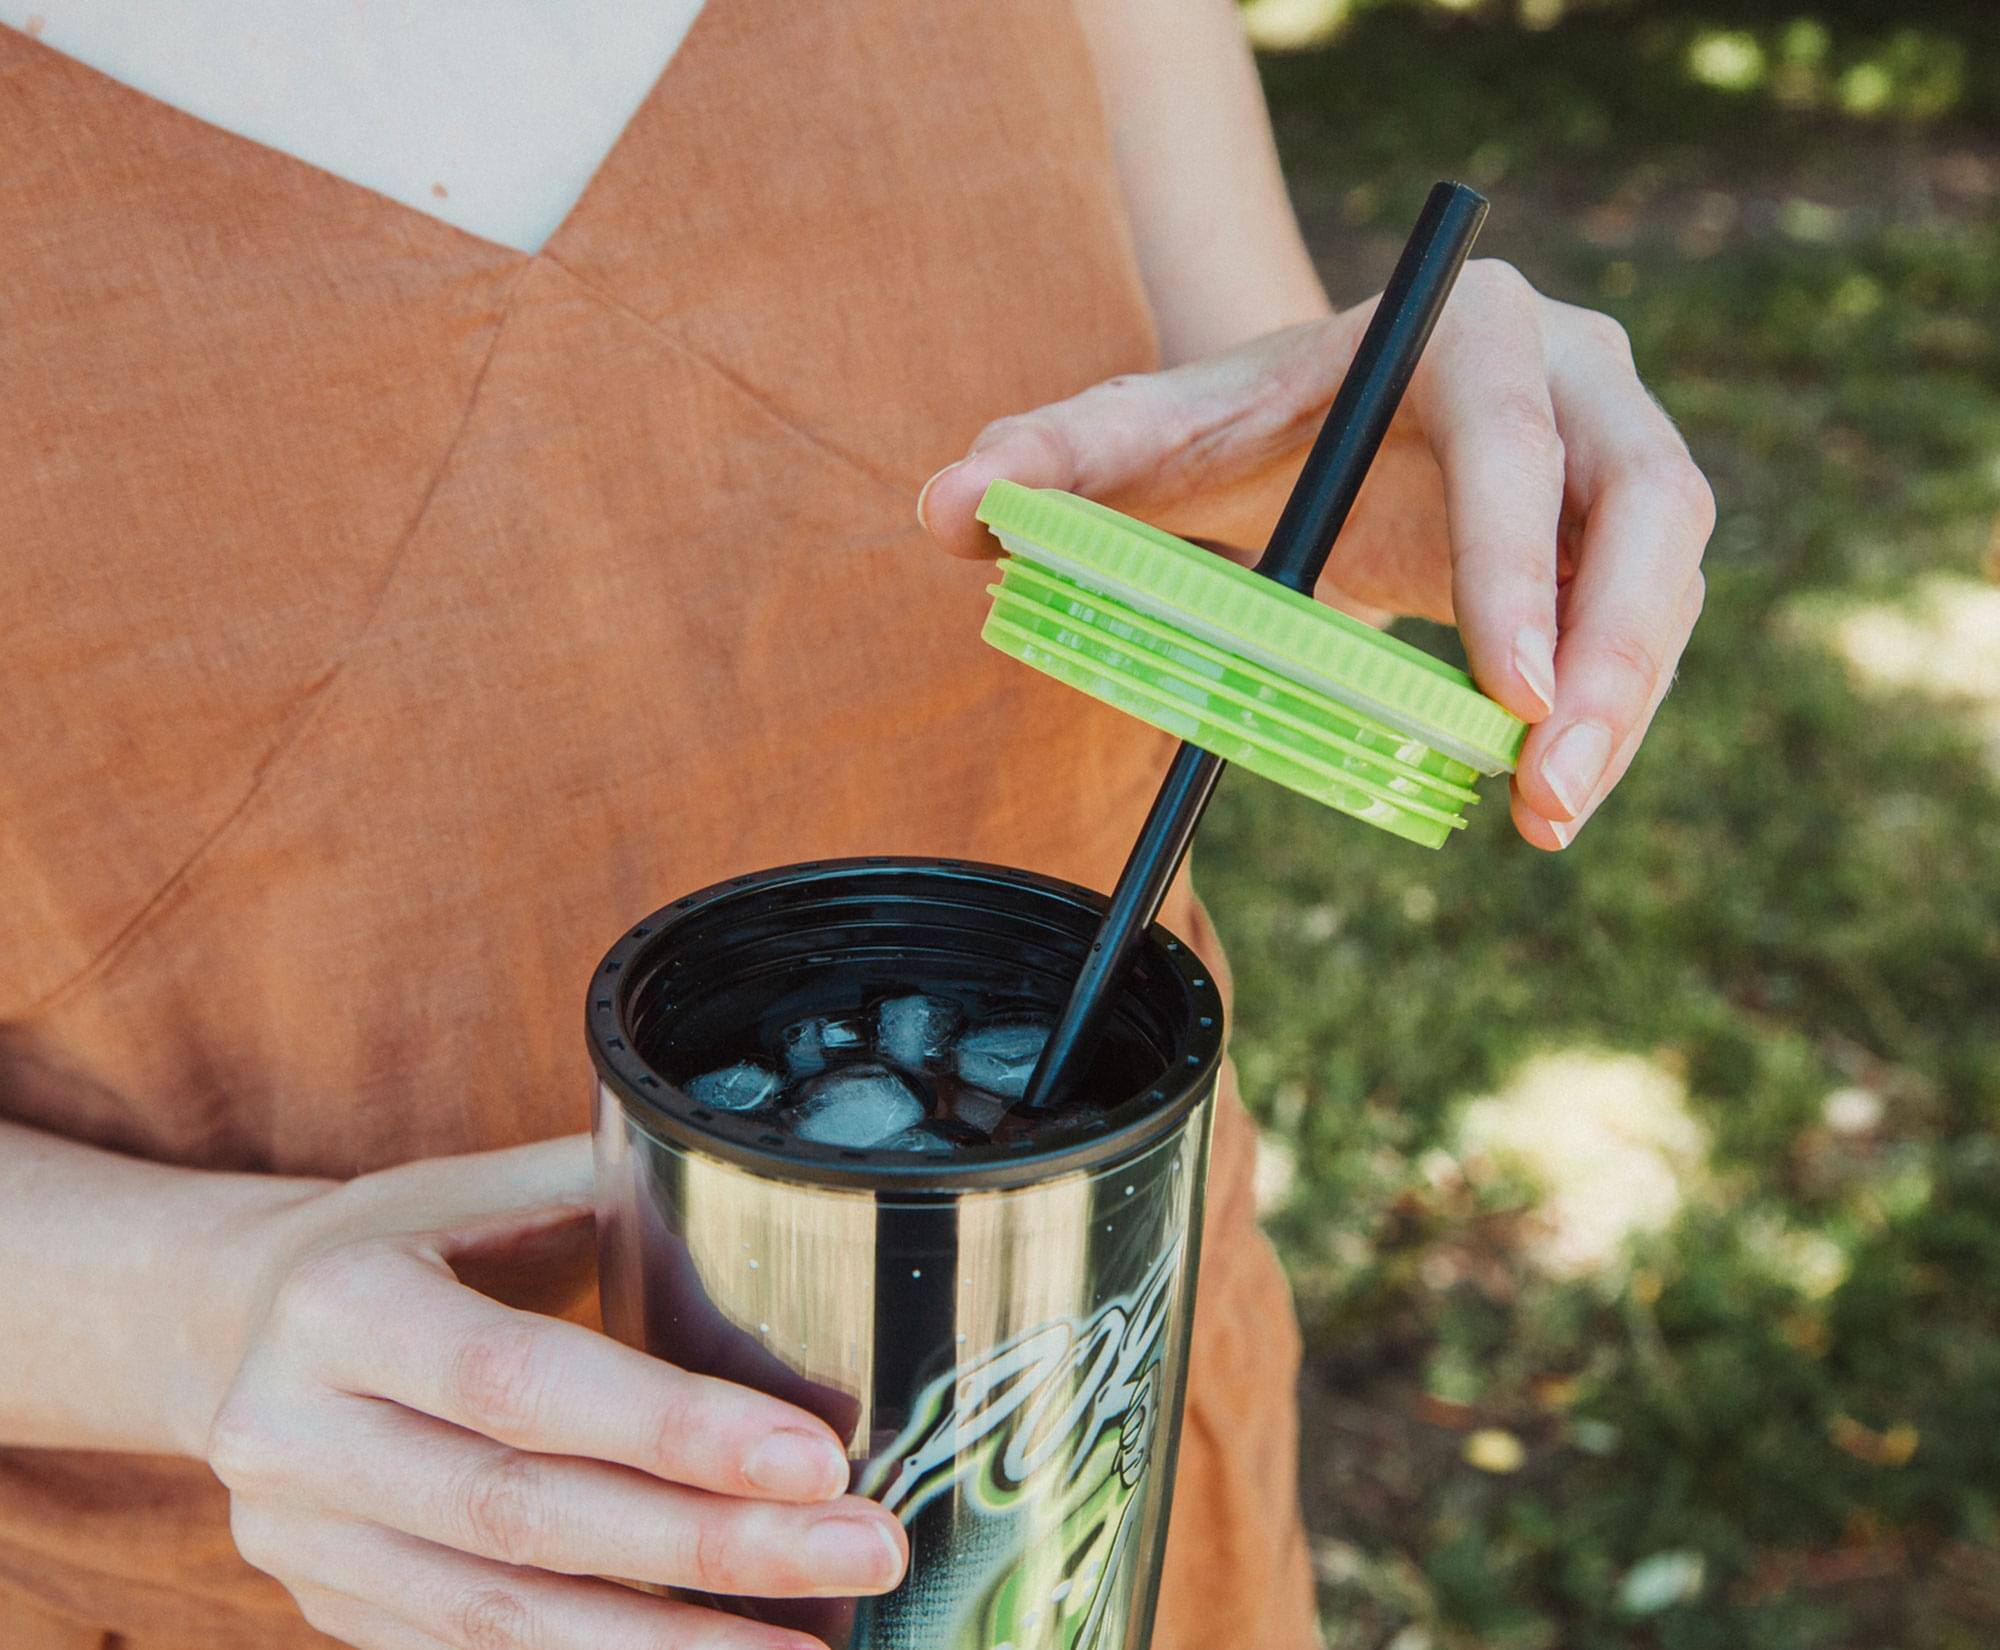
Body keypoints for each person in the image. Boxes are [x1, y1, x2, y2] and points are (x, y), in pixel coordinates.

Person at [0, 0, 1712, 1646]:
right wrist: (208, 1312)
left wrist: (1408, 456)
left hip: (1078, 1476)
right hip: (289, 1585)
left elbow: (1277, 471)